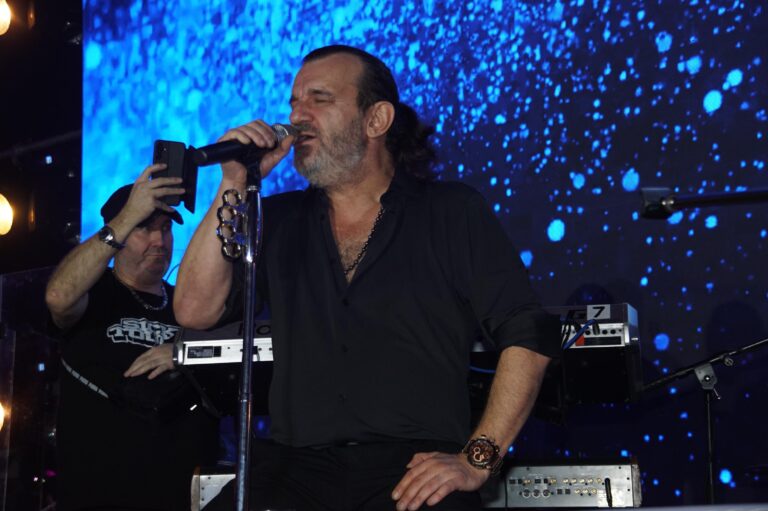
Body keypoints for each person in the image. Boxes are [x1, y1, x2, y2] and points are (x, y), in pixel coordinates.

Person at [174, 45, 560, 511]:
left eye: (319, 99)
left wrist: (478, 459)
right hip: (295, 468)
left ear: (376, 119)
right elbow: (194, 310)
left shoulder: (451, 211)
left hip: (414, 469)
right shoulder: (276, 219)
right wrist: (233, 182)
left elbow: (527, 333)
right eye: (294, 102)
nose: (297, 116)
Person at [45, 168, 218, 511]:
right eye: (144, 228)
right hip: (99, 493)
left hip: (183, 492)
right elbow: (58, 298)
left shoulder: (189, 304)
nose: (159, 241)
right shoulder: (95, 293)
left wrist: (184, 352)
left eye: (165, 228)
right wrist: (126, 217)